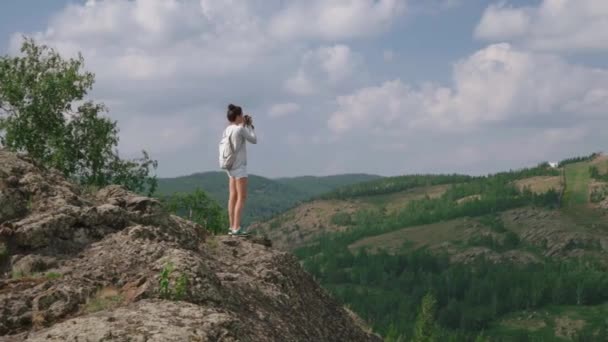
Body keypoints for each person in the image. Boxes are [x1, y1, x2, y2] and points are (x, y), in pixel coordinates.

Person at [222, 104, 257, 236]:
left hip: (229, 166)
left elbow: (236, 135)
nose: (243, 117)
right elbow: (254, 140)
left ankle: (232, 227)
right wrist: (249, 126)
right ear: (237, 116)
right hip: (240, 167)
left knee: (232, 197)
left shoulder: (227, 130)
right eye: (241, 115)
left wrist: (243, 125)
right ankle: (237, 228)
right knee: (241, 197)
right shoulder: (241, 129)